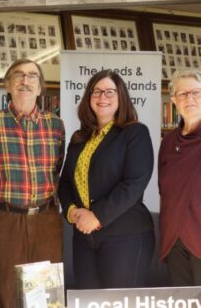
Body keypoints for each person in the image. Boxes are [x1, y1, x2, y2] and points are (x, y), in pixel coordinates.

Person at [0, 58, 65, 308]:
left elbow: (57, 169)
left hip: (46, 220)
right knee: (5, 295)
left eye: (32, 76)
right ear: (8, 85)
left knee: (46, 298)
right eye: (18, 75)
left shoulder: (56, 126)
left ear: (40, 87)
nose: (25, 80)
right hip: (4, 221)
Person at [58, 69, 155, 289]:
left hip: (126, 236)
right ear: (89, 98)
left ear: (121, 97)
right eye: (97, 92)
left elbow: (134, 183)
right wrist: (72, 212)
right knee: (87, 300)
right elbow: (64, 183)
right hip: (83, 237)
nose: (103, 97)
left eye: (110, 92)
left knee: (119, 303)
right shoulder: (79, 138)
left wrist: (97, 216)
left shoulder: (135, 133)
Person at [159, 69, 201, 286]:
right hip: (175, 239)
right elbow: (163, 190)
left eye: (196, 92)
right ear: (173, 99)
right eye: (182, 94)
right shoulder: (167, 143)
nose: (190, 98)